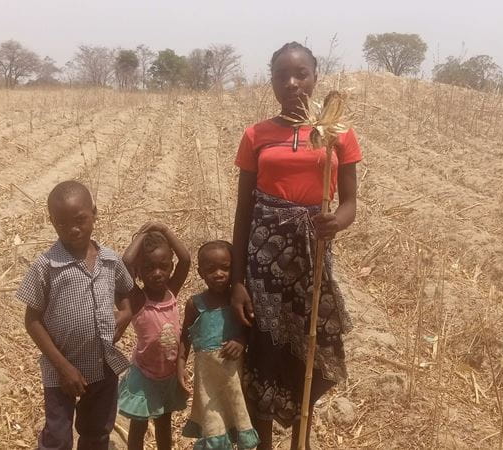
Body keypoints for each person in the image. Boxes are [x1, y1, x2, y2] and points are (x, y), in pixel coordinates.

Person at [230, 42, 362, 450]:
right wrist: (237, 280)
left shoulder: (338, 134)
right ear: (270, 82)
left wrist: (334, 223)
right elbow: (242, 212)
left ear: (315, 76)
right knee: (263, 354)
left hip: (313, 262)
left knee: (309, 355)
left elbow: (351, 203)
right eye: (282, 76)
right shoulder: (256, 135)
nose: (292, 83)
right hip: (262, 265)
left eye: (301, 74)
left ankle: (300, 442)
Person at [17, 180, 134, 450]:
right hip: (61, 370)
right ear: (51, 221)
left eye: (80, 219)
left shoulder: (109, 259)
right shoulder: (46, 266)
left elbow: (127, 293)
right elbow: (31, 321)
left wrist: (125, 315)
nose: (73, 229)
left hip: (103, 364)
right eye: (62, 223)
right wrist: (63, 367)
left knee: (97, 431)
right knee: (58, 438)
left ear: (94, 212)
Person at [114, 223, 191, 450]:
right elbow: (125, 262)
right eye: (149, 268)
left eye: (163, 266)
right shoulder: (138, 298)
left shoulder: (171, 291)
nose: (157, 273)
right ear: (139, 271)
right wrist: (143, 234)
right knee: (138, 427)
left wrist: (165, 230)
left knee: (164, 424)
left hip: (167, 375)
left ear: (170, 267)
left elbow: (185, 259)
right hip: (144, 376)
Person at [179, 240, 260, 450]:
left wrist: (241, 341)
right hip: (209, 384)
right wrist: (180, 366)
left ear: (234, 269)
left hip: (235, 380)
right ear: (200, 272)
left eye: (225, 268)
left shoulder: (239, 301)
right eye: (211, 269)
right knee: (214, 430)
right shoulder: (195, 305)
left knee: (239, 420)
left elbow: (251, 328)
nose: (219, 274)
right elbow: (185, 337)